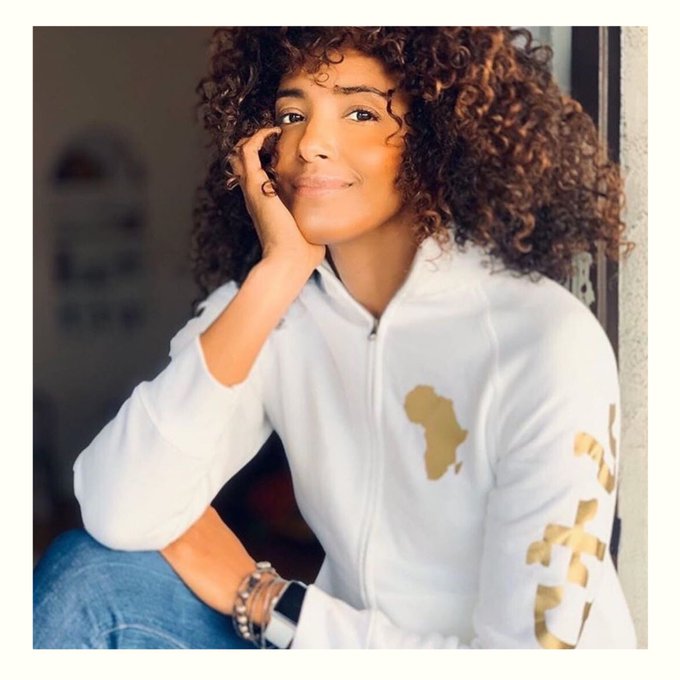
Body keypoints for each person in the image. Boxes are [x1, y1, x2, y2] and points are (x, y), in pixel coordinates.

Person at [33, 27, 637, 649]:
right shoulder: (276, 308)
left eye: (360, 113)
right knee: (89, 577)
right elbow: (117, 508)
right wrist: (278, 274)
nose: (311, 144)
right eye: (292, 115)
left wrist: (263, 597)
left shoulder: (543, 342)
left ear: (437, 138)